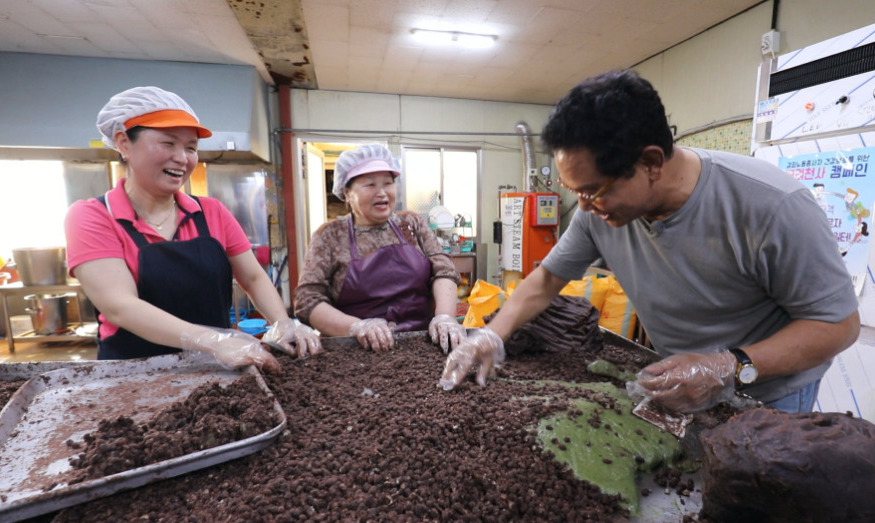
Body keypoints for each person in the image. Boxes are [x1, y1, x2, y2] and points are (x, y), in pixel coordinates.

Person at [440, 70, 860, 414]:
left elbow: (837, 325)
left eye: (593, 191)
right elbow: (547, 279)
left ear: (651, 162)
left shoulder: (771, 206)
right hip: (674, 379)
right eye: (576, 193)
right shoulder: (597, 213)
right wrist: (491, 335)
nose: (585, 208)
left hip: (768, 391)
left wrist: (728, 366)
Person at [65, 86, 321, 370]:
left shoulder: (211, 212)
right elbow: (120, 306)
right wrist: (214, 341)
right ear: (124, 142)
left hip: (217, 369)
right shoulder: (92, 216)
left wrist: (283, 322)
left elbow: (253, 277)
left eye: (191, 148)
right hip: (134, 376)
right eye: (168, 143)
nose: (182, 158)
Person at [294, 144, 465, 352]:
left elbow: (444, 270)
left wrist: (445, 317)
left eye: (388, 183)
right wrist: (356, 327)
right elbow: (307, 300)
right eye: (370, 185)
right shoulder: (330, 236)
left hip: (423, 343)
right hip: (357, 350)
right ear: (347, 192)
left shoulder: (411, 224)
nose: (382, 193)